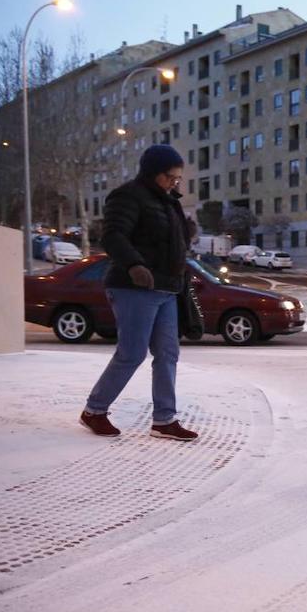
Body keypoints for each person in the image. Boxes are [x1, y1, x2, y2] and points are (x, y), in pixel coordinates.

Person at [79, 145, 199, 441]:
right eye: (170, 176)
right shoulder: (127, 195)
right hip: (134, 287)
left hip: (167, 288)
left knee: (168, 354)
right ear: (153, 172)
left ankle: (164, 419)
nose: (175, 182)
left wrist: (186, 233)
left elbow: (167, 241)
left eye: (178, 178)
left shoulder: (169, 201)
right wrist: (134, 264)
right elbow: (113, 235)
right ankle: (94, 410)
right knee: (132, 354)